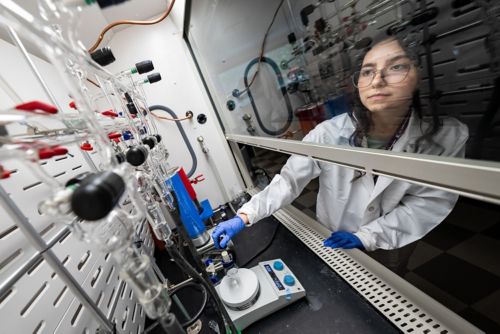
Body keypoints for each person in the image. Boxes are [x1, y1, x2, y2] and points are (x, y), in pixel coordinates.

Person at [212, 36, 469, 275]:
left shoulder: (446, 138)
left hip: (392, 243)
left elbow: (428, 204)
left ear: (418, 76)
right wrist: (244, 216)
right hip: (334, 234)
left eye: (396, 67)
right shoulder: (330, 133)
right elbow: (289, 181)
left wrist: (368, 237)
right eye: (367, 71)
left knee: (387, 289)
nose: (377, 80)